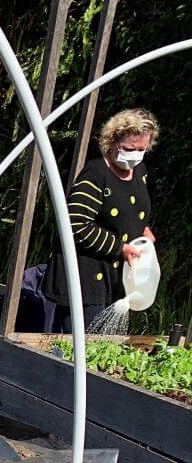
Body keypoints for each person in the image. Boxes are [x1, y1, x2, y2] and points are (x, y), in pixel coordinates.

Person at [43, 108, 158, 332]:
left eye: (141, 149)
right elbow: (75, 224)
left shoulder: (140, 171)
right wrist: (120, 247)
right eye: (128, 149)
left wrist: (142, 230)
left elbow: (131, 209)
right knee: (81, 346)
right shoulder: (95, 175)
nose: (134, 155)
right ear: (113, 142)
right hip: (86, 279)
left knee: (108, 350)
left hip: (118, 279)